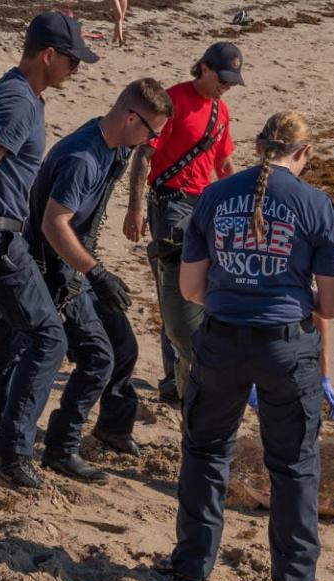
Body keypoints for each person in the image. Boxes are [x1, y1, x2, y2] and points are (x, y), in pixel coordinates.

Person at [157, 111, 334, 581]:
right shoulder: (316, 205)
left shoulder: (215, 197)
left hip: (221, 340)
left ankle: (191, 564)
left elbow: (191, 289)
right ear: (303, 154)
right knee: (294, 466)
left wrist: (239, 284)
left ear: (258, 146)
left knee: (205, 452)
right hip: (286, 347)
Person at [0, 12, 98, 489]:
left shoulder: (19, 93)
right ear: (48, 55)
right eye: (73, 60)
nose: (77, 69)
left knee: (11, 340)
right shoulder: (17, 100)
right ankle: (10, 452)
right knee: (48, 339)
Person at [27, 78, 174, 482]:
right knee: (97, 358)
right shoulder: (83, 157)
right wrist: (96, 271)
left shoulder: (117, 148)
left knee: (124, 346)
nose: (152, 143)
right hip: (55, 269)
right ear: (131, 118)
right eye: (151, 133)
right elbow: (53, 224)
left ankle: (112, 427)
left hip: (81, 266)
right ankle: (61, 447)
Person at [122, 42, 243, 403]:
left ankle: (184, 373)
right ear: (204, 68)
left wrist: (240, 205)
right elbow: (144, 155)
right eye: (223, 78)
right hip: (170, 205)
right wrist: (134, 208)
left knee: (199, 291)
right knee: (174, 291)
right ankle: (173, 381)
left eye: (233, 81)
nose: (227, 85)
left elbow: (223, 165)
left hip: (206, 207)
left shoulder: (221, 112)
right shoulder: (173, 101)